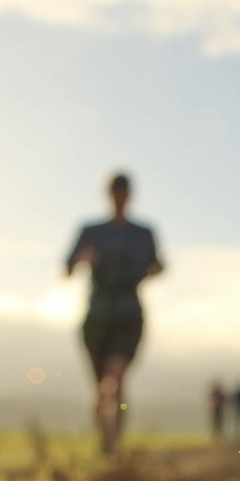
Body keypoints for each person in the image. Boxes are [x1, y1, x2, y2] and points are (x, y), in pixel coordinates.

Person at [65, 172, 163, 457]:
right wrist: (82, 259)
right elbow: (68, 266)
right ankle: (104, 444)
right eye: (115, 192)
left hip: (128, 315)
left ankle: (114, 445)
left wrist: (155, 270)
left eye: (123, 192)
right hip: (97, 317)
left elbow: (156, 265)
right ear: (108, 195)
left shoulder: (144, 233)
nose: (119, 197)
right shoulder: (90, 231)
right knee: (101, 387)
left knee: (115, 379)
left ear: (130, 195)